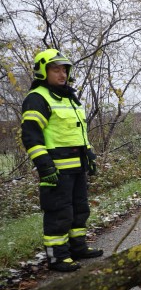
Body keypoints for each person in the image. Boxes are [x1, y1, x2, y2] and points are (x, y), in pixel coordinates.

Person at [21, 49, 103, 272]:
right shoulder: (37, 98)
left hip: (77, 165)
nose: (62, 74)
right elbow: (31, 136)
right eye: (56, 70)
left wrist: (90, 154)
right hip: (55, 168)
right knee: (59, 211)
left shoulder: (69, 97)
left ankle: (77, 248)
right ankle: (57, 257)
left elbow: (79, 132)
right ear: (42, 71)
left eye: (64, 69)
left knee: (80, 209)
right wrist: (45, 166)